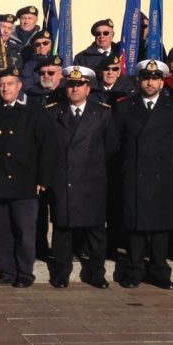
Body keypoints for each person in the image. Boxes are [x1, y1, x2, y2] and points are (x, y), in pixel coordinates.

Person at [115, 60, 173, 290]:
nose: (150, 82)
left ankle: (160, 271)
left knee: (160, 227)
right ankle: (134, 270)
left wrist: (163, 163)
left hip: (161, 174)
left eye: (155, 78)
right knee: (135, 226)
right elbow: (116, 142)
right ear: (138, 80)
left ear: (162, 82)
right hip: (134, 173)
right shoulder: (124, 107)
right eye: (146, 78)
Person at [44, 66, 118, 289]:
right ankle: (61, 273)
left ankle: (96, 273)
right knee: (62, 229)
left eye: (79, 85)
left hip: (91, 180)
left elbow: (111, 147)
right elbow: (47, 148)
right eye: (71, 84)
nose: (74, 89)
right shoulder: (53, 112)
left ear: (88, 88)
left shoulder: (102, 113)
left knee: (95, 231)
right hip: (63, 179)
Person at [0, 69, 51, 288]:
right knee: (3, 231)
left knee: (24, 230)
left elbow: (46, 147)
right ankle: (7, 272)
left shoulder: (34, 110)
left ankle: (24, 273)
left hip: (25, 179)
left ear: (19, 85)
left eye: (10, 84)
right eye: (2, 84)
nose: (5, 88)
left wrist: (42, 179)